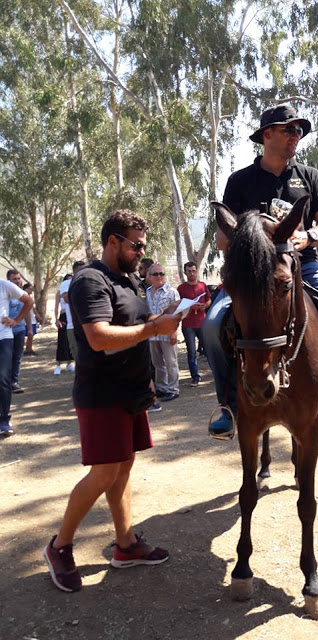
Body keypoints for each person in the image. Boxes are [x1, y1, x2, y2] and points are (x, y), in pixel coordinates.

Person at [203, 104, 318, 439]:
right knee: (210, 326)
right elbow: (222, 238)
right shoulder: (240, 181)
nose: (296, 136)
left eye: (298, 131)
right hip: (251, 274)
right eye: (288, 130)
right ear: (267, 135)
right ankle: (229, 405)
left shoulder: (310, 176)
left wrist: (307, 236)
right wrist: (247, 234)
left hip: (303, 266)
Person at [43, 209, 182, 593]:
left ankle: (125, 545)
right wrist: (154, 327)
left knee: (122, 468)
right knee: (104, 472)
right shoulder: (89, 280)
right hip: (101, 393)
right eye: (136, 245)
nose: (142, 252)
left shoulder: (128, 279)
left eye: (143, 244)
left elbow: (132, 328)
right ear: (113, 242)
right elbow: (100, 338)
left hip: (131, 390)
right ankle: (59, 546)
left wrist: (169, 318)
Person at [1, 277, 33, 436]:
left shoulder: (4, 285)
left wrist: (17, 320)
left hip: (3, 338)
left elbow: (29, 301)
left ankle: (4, 420)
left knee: (3, 379)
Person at [146, 263, 180, 402]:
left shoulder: (172, 292)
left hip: (168, 332)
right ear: (150, 276)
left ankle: (173, 389)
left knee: (171, 361)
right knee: (157, 362)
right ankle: (162, 388)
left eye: (162, 273)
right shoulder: (147, 292)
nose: (159, 276)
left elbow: (179, 313)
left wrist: (174, 332)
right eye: (156, 274)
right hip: (152, 334)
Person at [177, 261, 212, 386]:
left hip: (202, 323)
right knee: (191, 352)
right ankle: (195, 377)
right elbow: (178, 305)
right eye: (189, 271)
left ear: (196, 271)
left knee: (208, 349)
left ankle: (215, 373)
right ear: (185, 272)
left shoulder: (203, 285)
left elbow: (208, 300)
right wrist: (190, 307)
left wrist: (204, 306)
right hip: (188, 324)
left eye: (193, 271)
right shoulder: (181, 288)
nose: (191, 273)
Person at [7, 269, 32, 394]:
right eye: (14, 279)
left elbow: (26, 312)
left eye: (18, 278)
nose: (17, 281)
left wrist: (30, 329)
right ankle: (5, 382)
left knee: (17, 357)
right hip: (6, 331)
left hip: (20, 329)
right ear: (8, 281)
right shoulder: (6, 294)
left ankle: (14, 382)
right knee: (6, 357)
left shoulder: (23, 294)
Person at [59, 260, 86, 365]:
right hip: (73, 325)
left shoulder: (90, 282)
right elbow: (66, 298)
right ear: (74, 272)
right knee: (76, 352)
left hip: (88, 324)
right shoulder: (67, 283)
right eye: (81, 270)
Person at [53, 275, 74, 375]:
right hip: (64, 317)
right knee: (62, 340)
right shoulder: (60, 292)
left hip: (73, 317)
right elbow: (56, 306)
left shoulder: (74, 291)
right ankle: (58, 365)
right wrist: (56, 319)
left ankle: (69, 363)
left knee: (71, 341)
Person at [22, 283, 42, 355]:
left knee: (31, 335)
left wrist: (37, 315)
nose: (31, 290)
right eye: (30, 289)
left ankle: (29, 349)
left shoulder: (29, 297)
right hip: (25, 319)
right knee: (27, 334)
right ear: (25, 289)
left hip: (31, 318)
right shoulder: (22, 296)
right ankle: (26, 350)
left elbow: (32, 307)